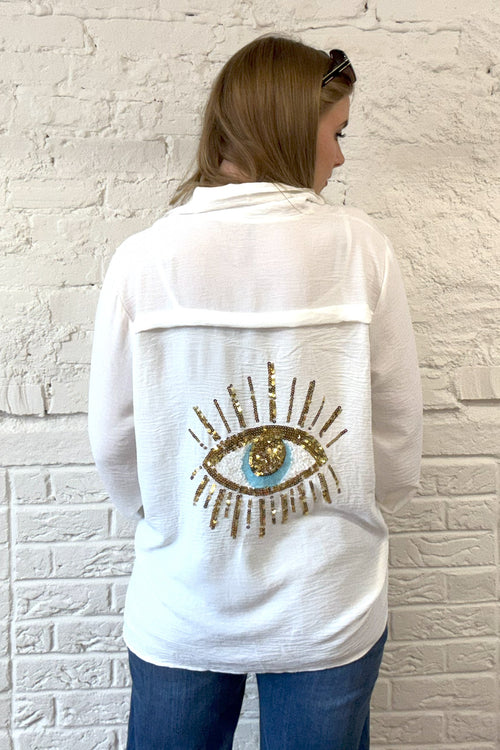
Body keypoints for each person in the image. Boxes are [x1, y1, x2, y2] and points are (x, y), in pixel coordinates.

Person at [88, 34, 422, 750]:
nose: (339, 157)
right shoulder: (361, 250)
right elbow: (396, 439)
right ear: (288, 128)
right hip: (328, 600)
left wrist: (177, 520)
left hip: (185, 597)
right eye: (337, 134)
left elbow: (115, 442)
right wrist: (344, 516)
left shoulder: (143, 260)